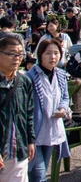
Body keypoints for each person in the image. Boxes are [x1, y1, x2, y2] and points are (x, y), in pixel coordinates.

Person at [27, 39, 70, 182]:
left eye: (56, 53)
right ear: (40, 55)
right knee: (38, 176)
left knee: (42, 171)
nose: (53, 57)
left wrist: (63, 108)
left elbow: (65, 97)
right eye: (48, 53)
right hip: (34, 133)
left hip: (52, 131)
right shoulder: (30, 76)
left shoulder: (60, 75)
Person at [0, 36, 35, 181]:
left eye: (20, 54)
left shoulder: (24, 81)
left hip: (18, 149)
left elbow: (29, 113)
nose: (17, 58)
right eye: (12, 54)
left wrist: (30, 141)